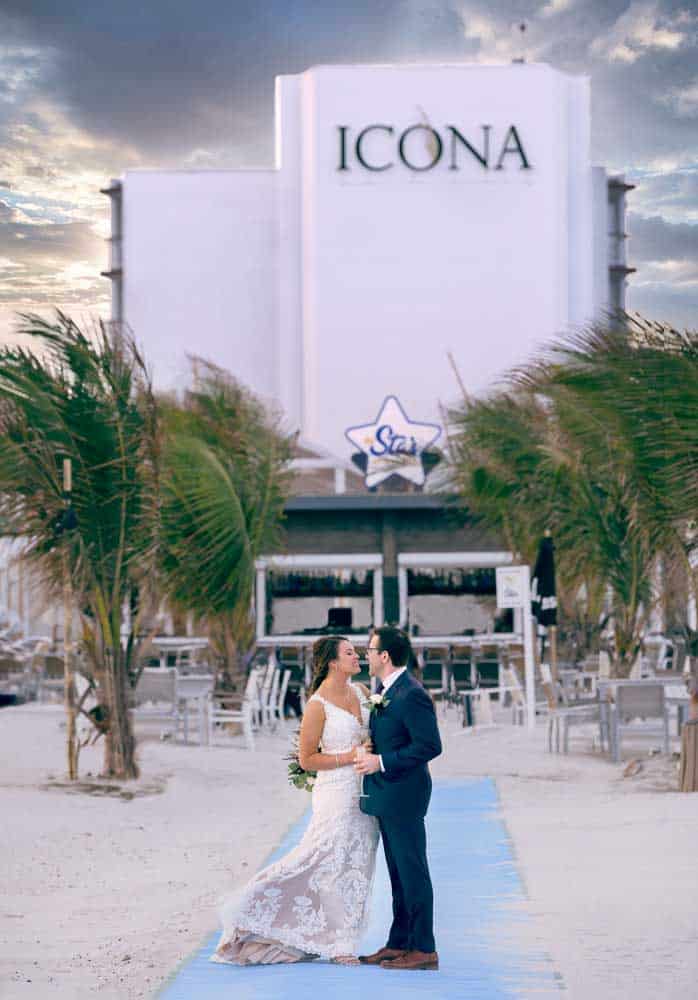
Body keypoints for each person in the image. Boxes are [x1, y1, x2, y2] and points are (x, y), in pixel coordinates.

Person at [211, 636, 378, 966]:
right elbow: (306, 759)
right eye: (349, 653)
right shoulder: (317, 704)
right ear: (333, 661)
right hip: (335, 792)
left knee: (357, 863)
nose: (357, 656)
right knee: (323, 859)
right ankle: (250, 909)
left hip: (365, 791)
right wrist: (349, 756)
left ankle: (341, 935)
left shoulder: (360, 692)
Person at [354, 626, 442, 971]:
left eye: (370, 649)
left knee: (413, 871)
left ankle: (424, 948)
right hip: (388, 794)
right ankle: (399, 940)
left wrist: (382, 761)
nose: (366, 655)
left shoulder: (411, 693)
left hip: (405, 794)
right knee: (398, 872)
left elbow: (429, 745)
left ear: (384, 656)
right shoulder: (386, 690)